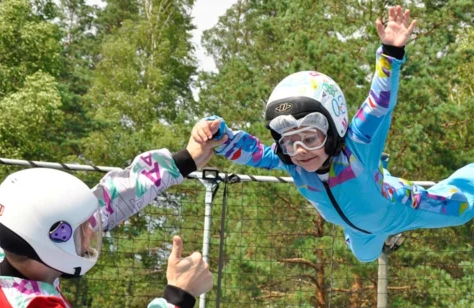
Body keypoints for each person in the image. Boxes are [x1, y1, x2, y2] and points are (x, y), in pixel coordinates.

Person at [191, 6, 474, 263]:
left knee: (463, 209)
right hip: (356, 228)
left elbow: (379, 104)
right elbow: (254, 153)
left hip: (398, 208)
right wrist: (221, 137)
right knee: (365, 255)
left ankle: (384, 173)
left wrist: (390, 54)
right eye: (290, 142)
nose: (300, 150)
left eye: (310, 138)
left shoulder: (356, 145)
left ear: (335, 128)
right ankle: (379, 193)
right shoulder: (291, 162)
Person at [0, 132, 227, 308]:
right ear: (54, 240)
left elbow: (106, 203)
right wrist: (178, 297)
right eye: (82, 227)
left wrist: (184, 159)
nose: (91, 229)